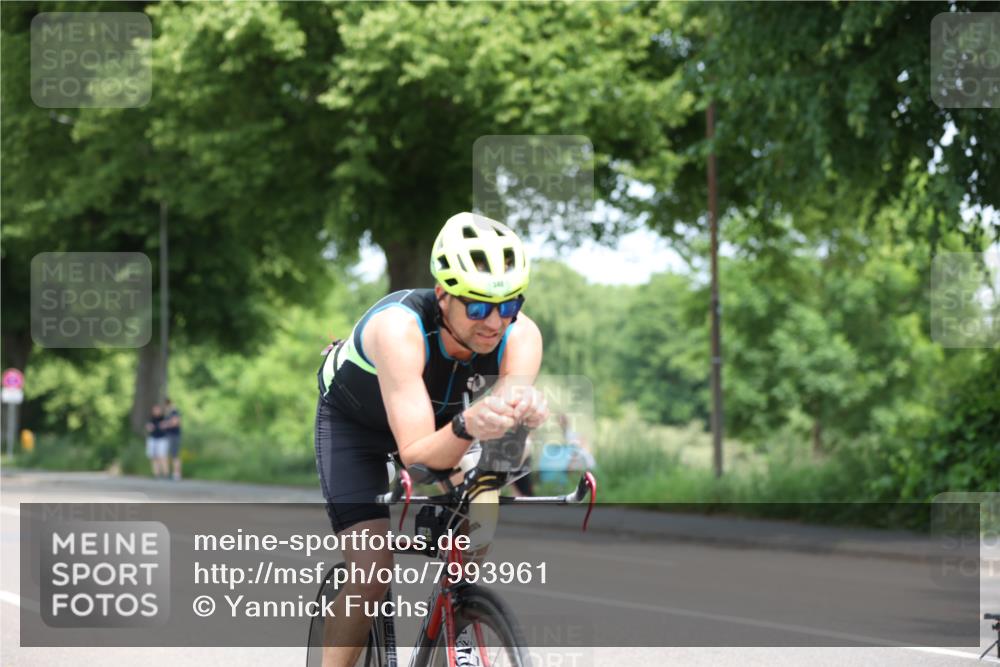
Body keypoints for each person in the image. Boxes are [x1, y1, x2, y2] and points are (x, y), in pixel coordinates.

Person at [314, 212, 549, 667]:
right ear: (442, 295)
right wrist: (468, 426)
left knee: (481, 513)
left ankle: (456, 619)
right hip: (357, 425)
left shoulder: (522, 336)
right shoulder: (398, 328)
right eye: (478, 307)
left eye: (509, 305)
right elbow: (419, 457)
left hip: (441, 425)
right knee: (372, 568)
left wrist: (519, 423)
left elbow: (499, 454)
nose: (494, 323)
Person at [145, 404, 169, 479]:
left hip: (162, 439)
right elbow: (148, 427)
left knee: (162, 456)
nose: (156, 411)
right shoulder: (151, 418)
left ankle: (165, 474)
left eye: (157, 410)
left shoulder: (163, 418)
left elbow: (167, 426)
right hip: (153, 438)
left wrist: (164, 425)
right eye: (155, 410)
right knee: (153, 457)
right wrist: (149, 427)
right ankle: (156, 474)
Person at [164, 398, 183, 481]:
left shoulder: (174, 412)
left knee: (175, 455)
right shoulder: (171, 412)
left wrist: (165, 424)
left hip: (174, 436)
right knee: (172, 455)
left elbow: (175, 422)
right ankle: (174, 474)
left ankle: (176, 474)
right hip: (171, 436)